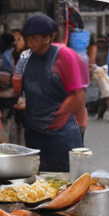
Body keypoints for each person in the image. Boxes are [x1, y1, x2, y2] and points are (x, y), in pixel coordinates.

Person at [21, 14, 84, 172]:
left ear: (48, 37)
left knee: (65, 184)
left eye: (35, 38)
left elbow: (77, 96)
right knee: (38, 183)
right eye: (27, 39)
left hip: (60, 135)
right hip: (34, 132)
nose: (29, 43)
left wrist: (58, 115)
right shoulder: (29, 56)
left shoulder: (65, 55)